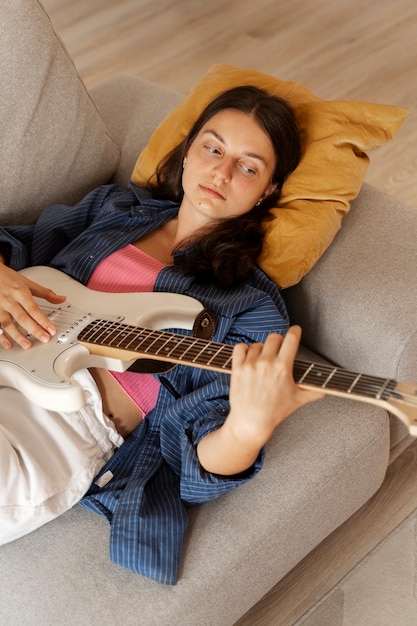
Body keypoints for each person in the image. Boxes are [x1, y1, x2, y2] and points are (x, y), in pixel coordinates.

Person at [0, 86, 323, 584]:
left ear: (268, 191)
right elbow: (18, 243)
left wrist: (247, 428)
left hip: (60, 427)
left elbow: (194, 463)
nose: (221, 172)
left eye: (249, 166)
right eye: (213, 148)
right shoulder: (115, 209)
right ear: (188, 150)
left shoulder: (250, 307)